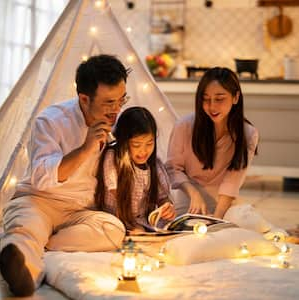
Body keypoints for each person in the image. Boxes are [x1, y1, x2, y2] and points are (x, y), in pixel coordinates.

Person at [0, 54, 130, 297]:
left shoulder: (118, 121)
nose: (116, 109)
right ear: (84, 98)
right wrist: (85, 149)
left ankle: (42, 246)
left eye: (121, 100)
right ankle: (20, 267)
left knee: (114, 229)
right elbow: (41, 177)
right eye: (109, 102)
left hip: (79, 211)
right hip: (39, 199)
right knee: (24, 229)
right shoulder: (50, 120)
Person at [166, 67, 259, 220]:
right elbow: (173, 168)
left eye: (219, 99)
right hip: (189, 201)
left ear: (235, 97)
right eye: (206, 99)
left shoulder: (248, 134)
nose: (212, 106)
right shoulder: (184, 126)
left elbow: (232, 182)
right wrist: (193, 194)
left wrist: (216, 220)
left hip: (225, 203)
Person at [95, 106, 176, 232]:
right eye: (136, 145)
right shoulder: (113, 159)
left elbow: (162, 197)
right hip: (115, 220)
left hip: (142, 222)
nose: (143, 151)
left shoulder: (154, 165)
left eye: (149, 143)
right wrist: (134, 226)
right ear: (123, 141)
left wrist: (167, 207)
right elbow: (117, 197)